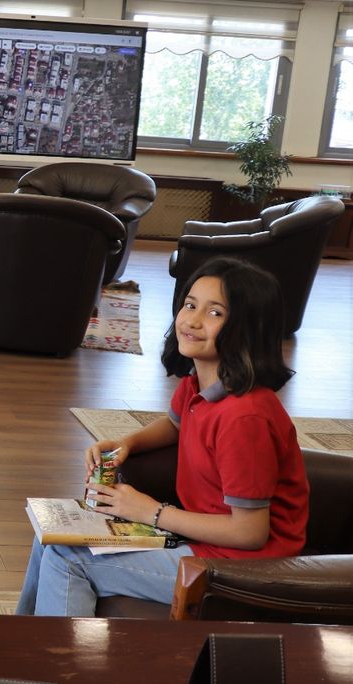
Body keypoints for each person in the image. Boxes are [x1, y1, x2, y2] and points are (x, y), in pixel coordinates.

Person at [17, 257, 309, 616]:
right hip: (202, 540)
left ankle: (58, 654)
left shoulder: (244, 418)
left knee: (69, 559)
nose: (193, 320)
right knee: (50, 538)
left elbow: (250, 532)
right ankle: (19, 642)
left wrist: (151, 512)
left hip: (244, 566)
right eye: (190, 305)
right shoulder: (200, 384)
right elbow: (175, 425)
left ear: (249, 327)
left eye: (215, 313)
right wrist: (128, 443)